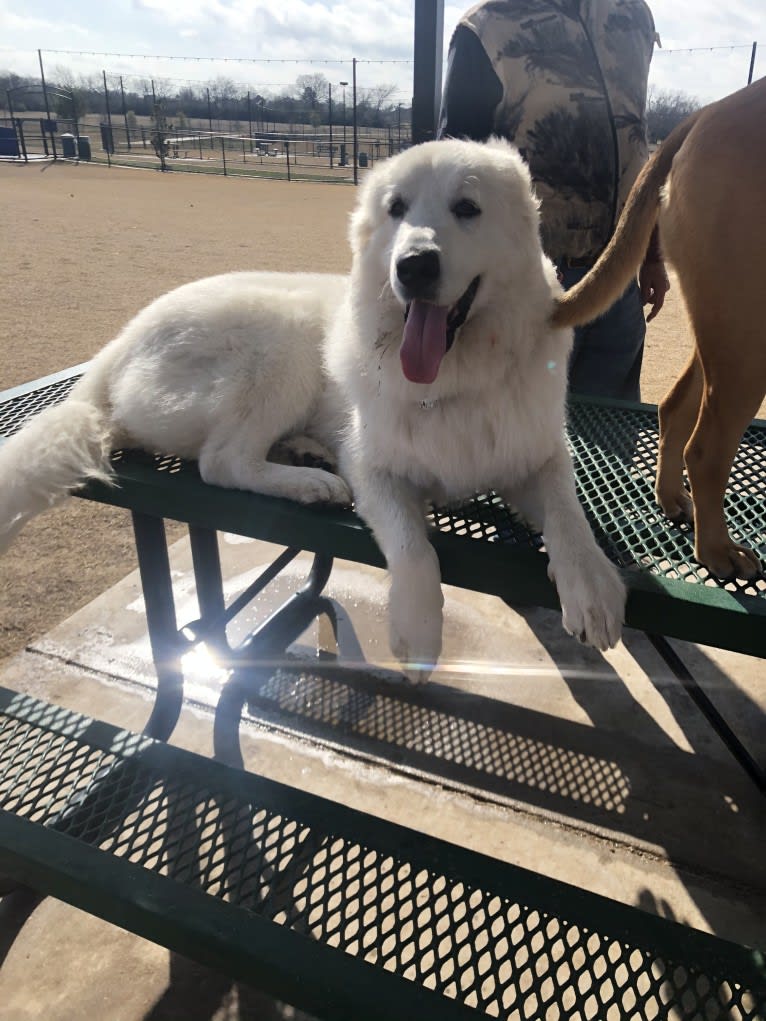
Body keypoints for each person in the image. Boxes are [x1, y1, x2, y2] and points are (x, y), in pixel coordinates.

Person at [438, 0, 670, 402]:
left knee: (611, 432)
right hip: (525, 284)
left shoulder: (632, 16)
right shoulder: (488, 26)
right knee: (515, 440)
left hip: (618, 279)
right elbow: (452, 170)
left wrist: (651, 254)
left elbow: (635, 144)